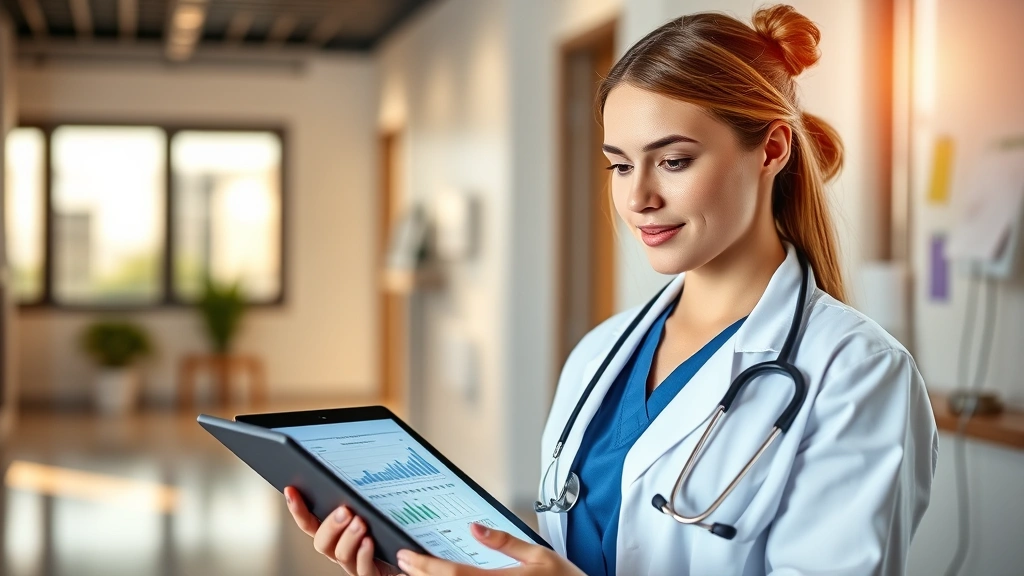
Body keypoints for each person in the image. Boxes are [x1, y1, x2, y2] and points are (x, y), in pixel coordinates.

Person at [284, 4, 938, 575]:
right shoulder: (601, 353)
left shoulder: (857, 374)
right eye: (620, 165)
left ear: (771, 150)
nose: (638, 198)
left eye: (674, 161)